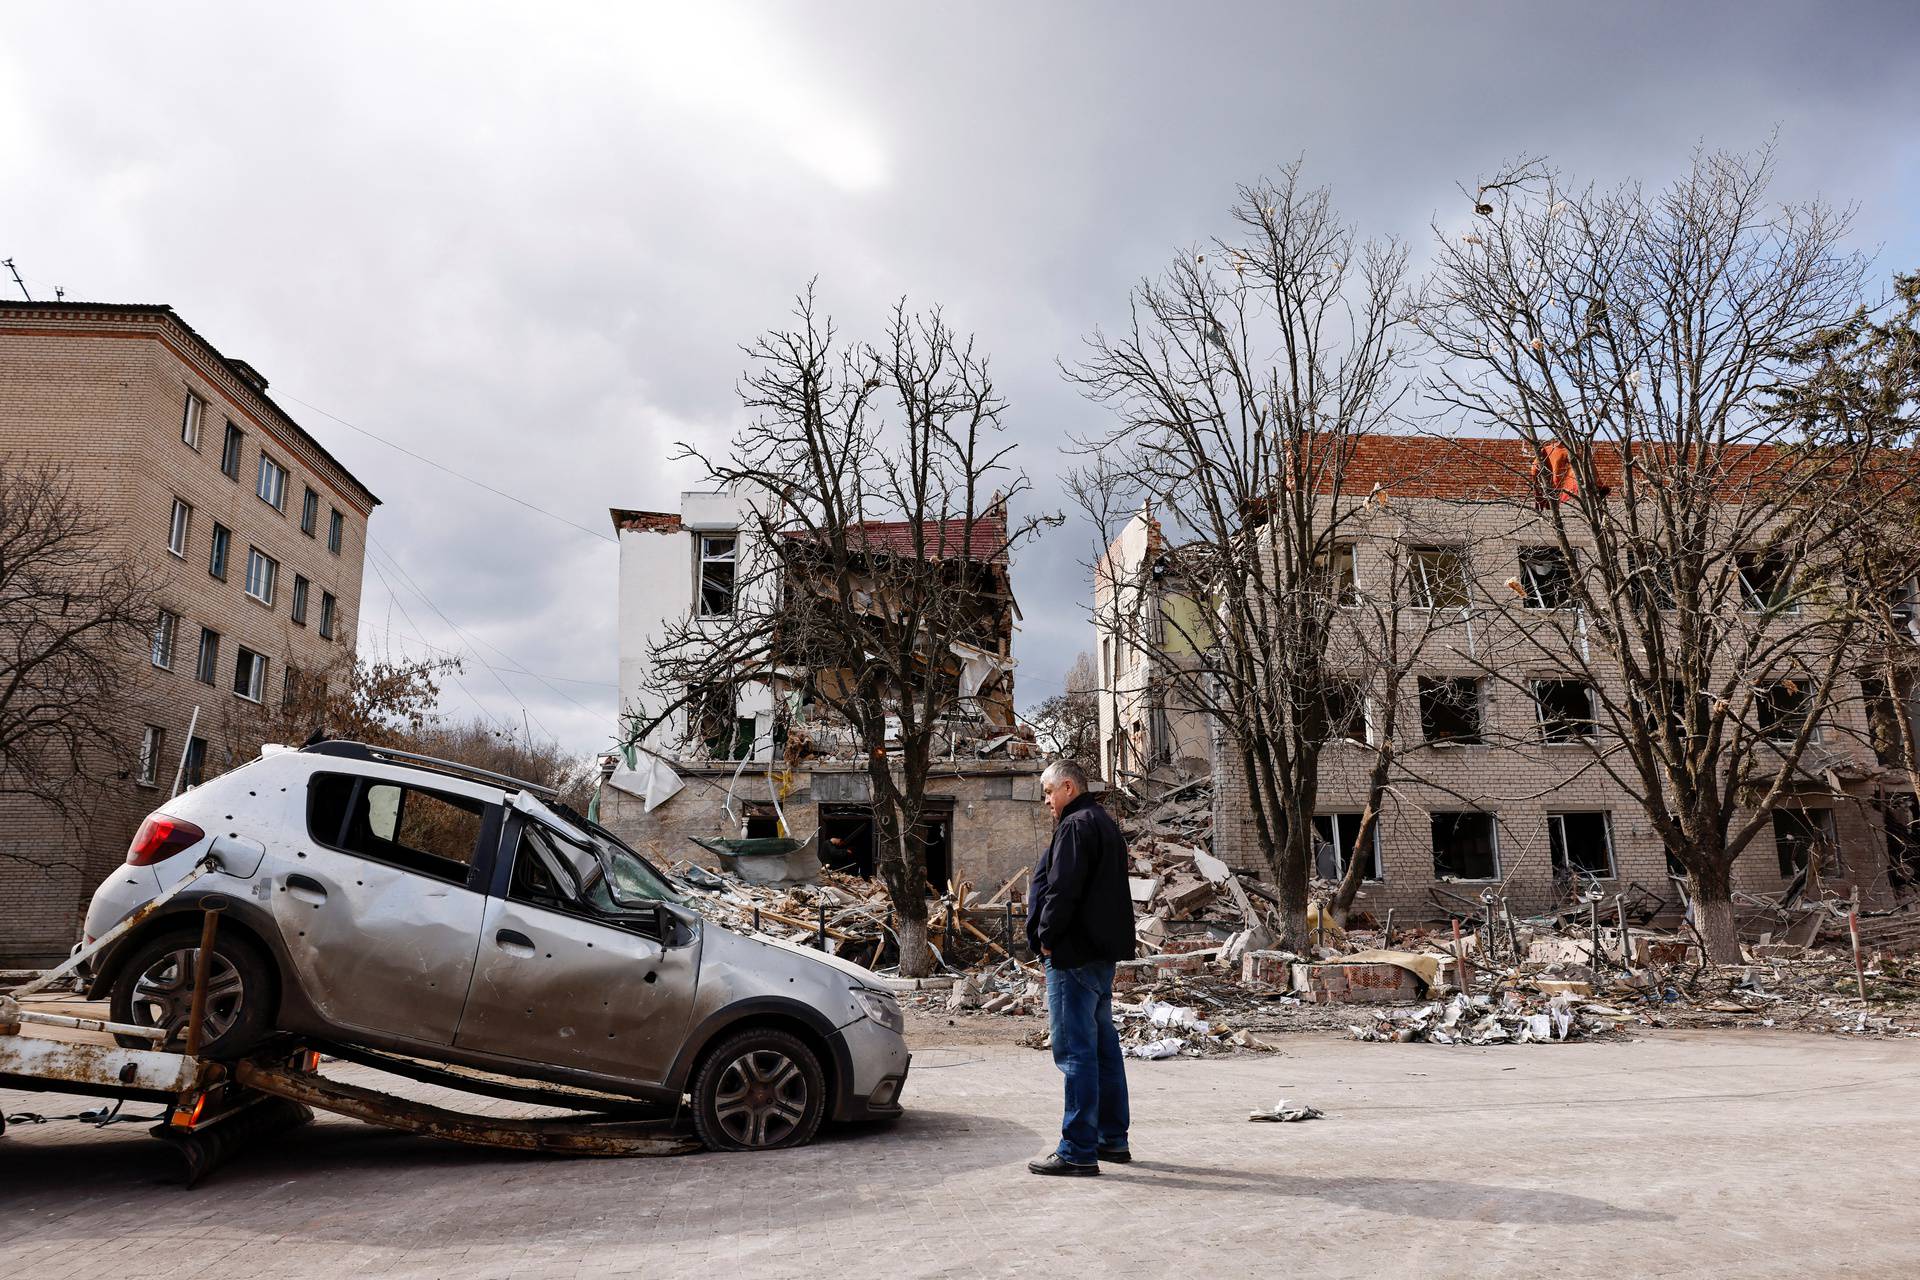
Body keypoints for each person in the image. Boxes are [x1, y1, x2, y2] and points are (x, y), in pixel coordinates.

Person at [1025, 758, 1135, 1176]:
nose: (1047, 800)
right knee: (1103, 1047)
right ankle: (1111, 1138)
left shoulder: (1075, 826)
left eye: (1049, 791)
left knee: (1075, 1052)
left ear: (1068, 787)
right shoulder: (1103, 822)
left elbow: (1062, 889)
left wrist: (1047, 937)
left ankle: (1077, 1148)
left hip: (1072, 956)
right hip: (1098, 956)